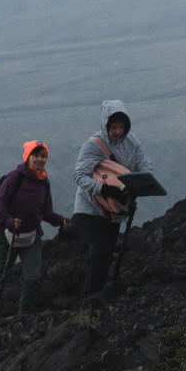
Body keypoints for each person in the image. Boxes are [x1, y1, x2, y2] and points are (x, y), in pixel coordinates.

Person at [0, 142, 64, 320]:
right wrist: (9, 221)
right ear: (28, 157)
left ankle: (23, 315)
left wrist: (61, 221)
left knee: (31, 277)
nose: (40, 159)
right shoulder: (16, 177)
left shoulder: (43, 182)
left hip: (31, 235)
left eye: (43, 156)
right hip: (5, 235)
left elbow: (45, 211)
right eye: (36, 155)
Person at [70, 102, 149, 299]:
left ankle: (101, 293)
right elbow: (79, 176)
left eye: (121, 127)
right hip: (89, 207)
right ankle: (92, 296)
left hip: (115, 209)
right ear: (106, 125)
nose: (117, 132)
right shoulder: (93, 145)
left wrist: (139, 185)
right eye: (113, 127)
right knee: (102, 249)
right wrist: (106, 189)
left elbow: (145, 165)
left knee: (108, 252)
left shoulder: (132, 143)